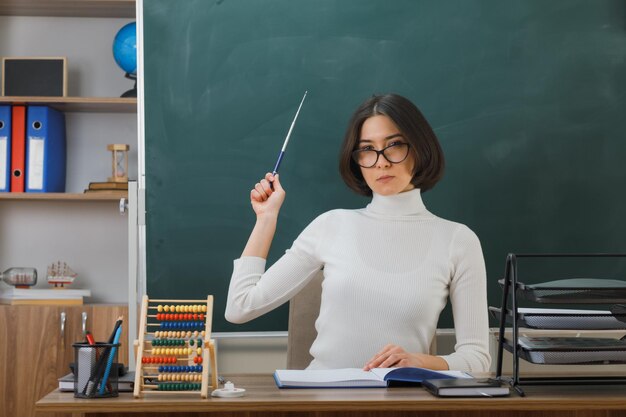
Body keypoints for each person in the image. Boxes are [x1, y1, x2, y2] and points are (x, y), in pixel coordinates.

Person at [225, 93, 491, 372]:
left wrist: (421, 362)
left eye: (395, 145)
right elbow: (239, 307)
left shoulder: (458, 241)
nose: (381, 162)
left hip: (402, 402)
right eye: (367, 149)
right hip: (321, 403)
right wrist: (266, 219)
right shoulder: (331, 225)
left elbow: (478, 359)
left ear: (420, 148)